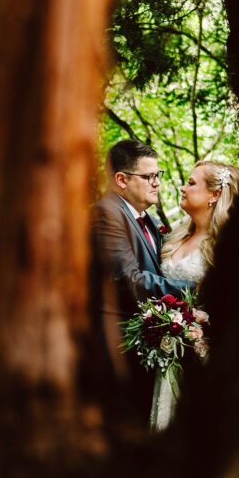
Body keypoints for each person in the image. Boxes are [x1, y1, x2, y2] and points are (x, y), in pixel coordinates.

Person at [89, 139, 194, 421]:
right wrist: (195, 288)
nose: (157, 183)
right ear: (121, 180)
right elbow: (128, 279)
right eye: (149, 177)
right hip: (118, 348)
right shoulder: (105, 213)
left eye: (158, 175)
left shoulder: (147, 220)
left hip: (150, 348)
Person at [150, 159, 239, 432]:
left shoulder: (223, 246)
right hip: (165, 353)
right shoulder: (176, 237)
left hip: (200, 357)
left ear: (214, 194)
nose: (183, 187)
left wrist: (203, 323)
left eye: (191, 183)